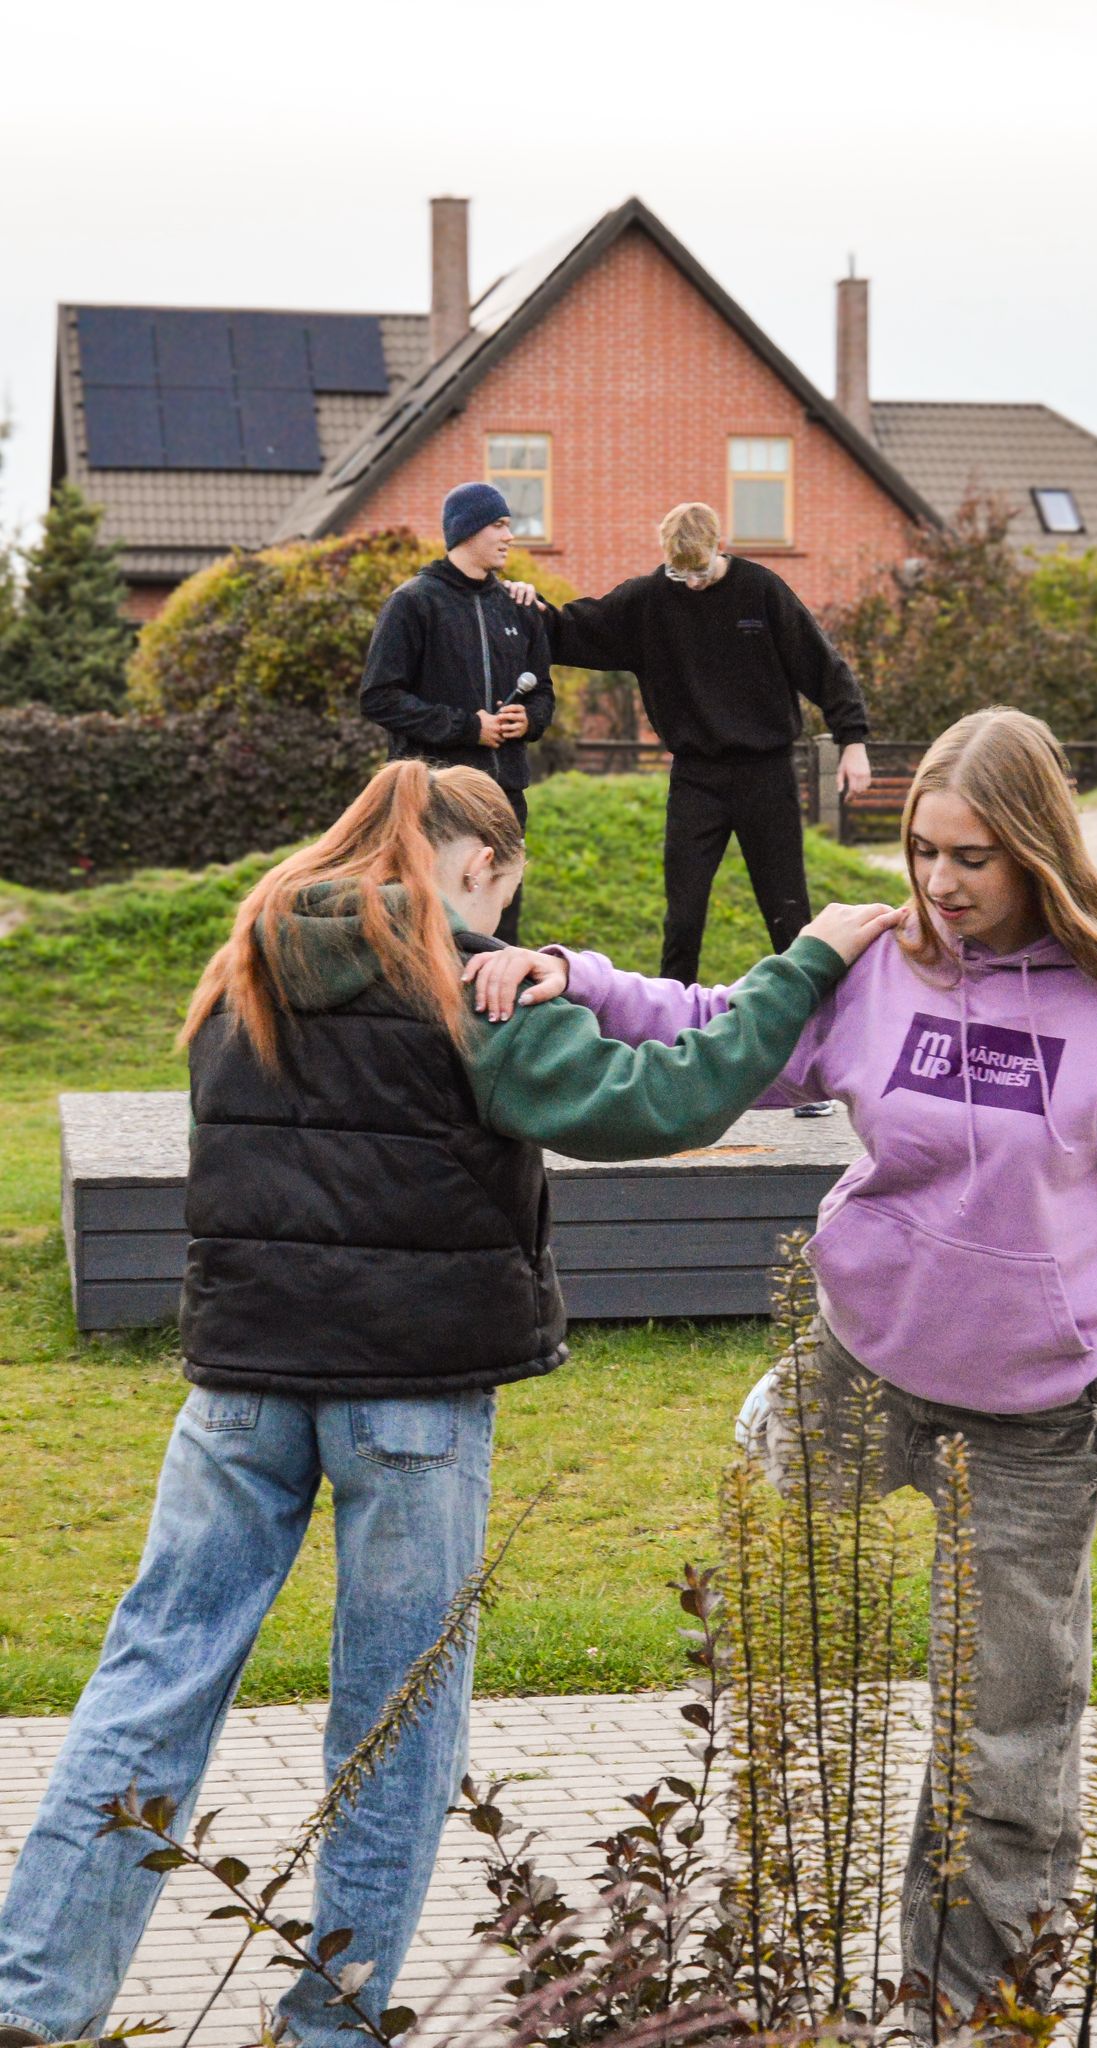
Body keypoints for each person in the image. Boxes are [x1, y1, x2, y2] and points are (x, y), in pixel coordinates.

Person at [0, 762, 900, 2048]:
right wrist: (802, 961)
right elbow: (670, 1098)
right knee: (394, 1718)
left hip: (238, 1388)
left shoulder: (247, 956)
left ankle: (32, 1998)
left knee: (153, 1672)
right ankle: (332, 2023)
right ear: (476, 862)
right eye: (499, 895)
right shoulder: (462, 984)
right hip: (409, 1402)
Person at [465, 705, 1097, 2028]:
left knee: (1003, 1748)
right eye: (923, 849)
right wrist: (574, 972)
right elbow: (721, 1023)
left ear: (1037, 851)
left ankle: (959, 2011)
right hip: (862, 1360)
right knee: (782, 1628)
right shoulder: (879, 966)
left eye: (971, 856)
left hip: (1031, 1417)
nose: (938, 882)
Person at [506, 501, 872, 1020]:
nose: (692, 583)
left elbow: (822, 666)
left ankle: (808, 1033)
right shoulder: (650, 600)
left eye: (699, 571)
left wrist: (852, 739)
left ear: (719, 548)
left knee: (787, 909)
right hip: (696, 776)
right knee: (683, 915)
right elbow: (572, 630)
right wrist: (529, 607)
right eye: (680, 572)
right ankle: (668, 1029)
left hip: (765, 771)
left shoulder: (761, 591)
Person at [359, 481, 555, 942]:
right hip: (435, 798)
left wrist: (530, 720)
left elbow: (543, 691)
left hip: (505, 797)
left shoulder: (518, 606)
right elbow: (379, 697)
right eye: (499, 525)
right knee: (430, 926)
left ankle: (496, 1012)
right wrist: (467, 728)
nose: (510, 536)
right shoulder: (412, 603)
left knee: (501, 930)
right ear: (466, 530)